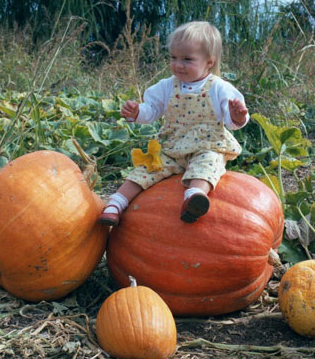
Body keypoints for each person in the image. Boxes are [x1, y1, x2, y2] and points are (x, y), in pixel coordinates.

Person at [97, 20, 249, 227]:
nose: (178, 65)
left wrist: (237, 116)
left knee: (208, 164)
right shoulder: (167, 85)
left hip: (206, 145)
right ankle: (115, 204)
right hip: (172, 146)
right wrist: (137, 112)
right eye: (173, 57)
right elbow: (152, 111)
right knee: (146, 169)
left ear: (209, 62)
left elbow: (232, 123)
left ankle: (194, 197)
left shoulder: (218, 88)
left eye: (187, 59)